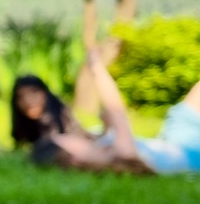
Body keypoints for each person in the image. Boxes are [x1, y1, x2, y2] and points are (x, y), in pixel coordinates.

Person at [28, 49, 200, 175]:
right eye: (69, 141)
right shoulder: (122, 154)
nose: (74, 137)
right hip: (192, 149)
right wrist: (96, 67)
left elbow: (109, 124)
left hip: (175, 140)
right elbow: (116, 110)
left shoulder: (103, 149)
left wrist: (106, 126)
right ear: (74, 159)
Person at [9, 75, 89, 148]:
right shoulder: (25, 128)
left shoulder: (63, 116)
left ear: (45, 93)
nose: (28, 100)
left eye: (33, 92)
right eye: (21, 96)